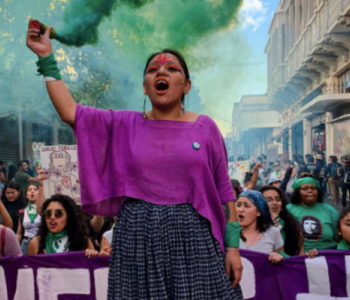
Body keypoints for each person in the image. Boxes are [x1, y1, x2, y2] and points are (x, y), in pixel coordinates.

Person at [27, 27, 244, 299]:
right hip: (136, 239)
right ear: (145, 86)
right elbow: (70, 112)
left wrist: (233, 248)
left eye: (172, 69)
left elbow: (225, 192)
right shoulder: (125, 124)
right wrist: (46, 57)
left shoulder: (205, 127)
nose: (161, 72)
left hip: (194, 241)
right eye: (153, 70)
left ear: (186, 85)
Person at [27, 194, 97, 257]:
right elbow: (28, 269)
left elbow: (93, 268)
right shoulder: (36, 243)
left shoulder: (82, 241)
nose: (52, 217)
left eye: (58, 213)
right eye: (48, 213)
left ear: (69, 216)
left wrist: (93, 255)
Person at [260, 186, 317, 257]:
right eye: (268, 200)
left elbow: (300, 257)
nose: (275, 203)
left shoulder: (293, 225)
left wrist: (309, 256)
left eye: (278, 199)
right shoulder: (253, 227)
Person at [287, 174, 339, 252]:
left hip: (328, 255)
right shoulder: (288, 209)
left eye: (313, 188)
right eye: (305, 188)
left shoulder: (330, 210)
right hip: (298, 256)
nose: (310, 191)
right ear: (298, 192)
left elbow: (339, 237)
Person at [236, 190, 284, 263]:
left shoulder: (273, 232)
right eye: (238, 205)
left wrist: (278, 256)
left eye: (247, 206)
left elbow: (283, 258)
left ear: (258, 212)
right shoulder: (230, 233)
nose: (240, 210)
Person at [17, 171, 47, 254]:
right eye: (29, 190)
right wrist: (16, 247)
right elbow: (19, 233)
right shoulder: (22, 211)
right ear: (26, 195)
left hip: (40, 243)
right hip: (25, 244)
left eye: (35, 190)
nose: (32, 192)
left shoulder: (45, 210)